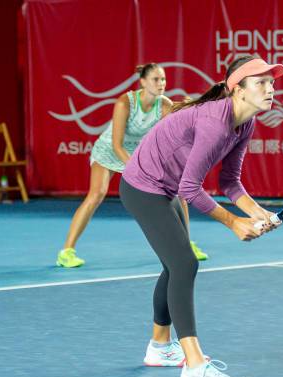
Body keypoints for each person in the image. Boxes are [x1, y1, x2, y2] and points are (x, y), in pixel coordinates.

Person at [119, 55, 283, 377]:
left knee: (174, 264)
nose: (270, 88)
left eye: (271, 81)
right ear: (237, 89)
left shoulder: (245, 122)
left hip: (165, 188)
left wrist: (257, 213)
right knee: (184, 263)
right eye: (261, 82)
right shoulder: (213, 122)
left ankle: (160, 347)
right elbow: (189, 189)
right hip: (142, 187)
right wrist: (234, 223)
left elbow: (230, 181)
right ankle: (194, 369)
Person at [56, 63, 208, 268]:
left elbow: (168, 139)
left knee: (178, 193)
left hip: (140, 153)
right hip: (110, 151)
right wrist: (138, 168)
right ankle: (66, 252)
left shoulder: (164, 105)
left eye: (163, 79)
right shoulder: (125, 103)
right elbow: (117, 144)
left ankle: (185, 245)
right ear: (143, 82)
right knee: (96, 195)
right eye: (156, 79)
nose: (161, 83)